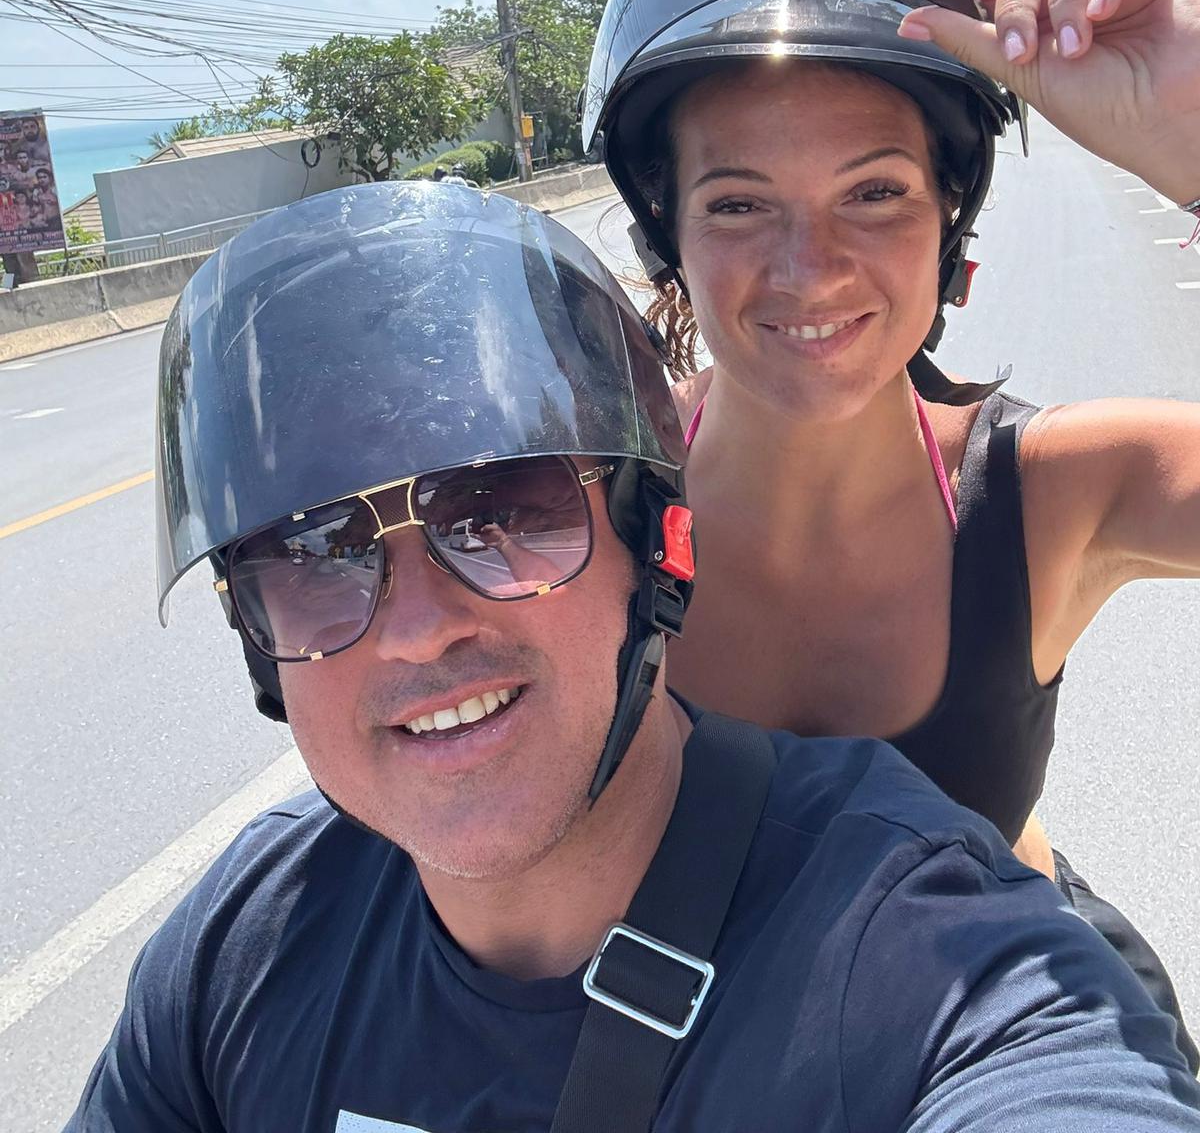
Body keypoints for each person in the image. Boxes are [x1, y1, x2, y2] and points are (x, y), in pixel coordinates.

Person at [68, 182, 1200, 1132]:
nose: (417, 629)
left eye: (501, 510)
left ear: (654, 540)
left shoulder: (924, 962)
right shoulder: (247, 948)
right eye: (313, 550)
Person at [583, 0, 1200, 1061]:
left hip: (1024, 1045)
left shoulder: (1052, 494)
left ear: (949, 217)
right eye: (739, 203)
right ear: (669, 233)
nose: (810, 270)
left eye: (874, 193)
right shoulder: (587, 512)